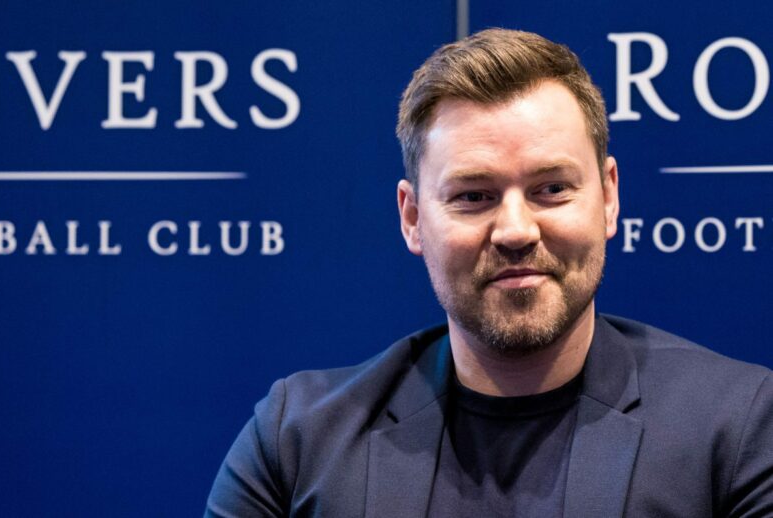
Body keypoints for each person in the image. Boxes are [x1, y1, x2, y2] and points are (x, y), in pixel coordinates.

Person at [205, 29, 773, 517]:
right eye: (473, 196)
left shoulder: (740, 430)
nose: (516, 230)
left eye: (551, 189)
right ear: (412, 218)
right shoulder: (297, 442)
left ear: (608, 198)